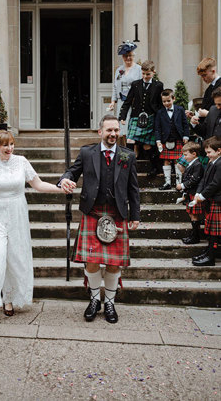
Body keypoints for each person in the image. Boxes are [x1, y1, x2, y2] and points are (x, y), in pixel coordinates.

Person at [59, 115, 141, 324]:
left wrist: (135, 215)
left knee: (114, 264)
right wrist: (65, 180)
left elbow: (133, 188)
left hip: (117, 214)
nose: (113, 134)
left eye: (116, 130)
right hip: (93, 213)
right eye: (109, 130)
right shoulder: (88, 153)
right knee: (92, 261)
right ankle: (95, 299)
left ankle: (110, 302)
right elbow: (72, 171)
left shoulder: (127, 155)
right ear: (100, 132)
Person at [0, 130, 63, 319]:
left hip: (17, 213)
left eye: (11, 144)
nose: (9, 148)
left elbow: (38, 184)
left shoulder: (22, 162)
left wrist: (59, 189)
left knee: (14, 256)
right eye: (5, 145)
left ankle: (8, 298)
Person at [119, 60, 164, 177]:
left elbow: (160, 104)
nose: (145, 76)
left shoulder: (158, 85)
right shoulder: (135, 84)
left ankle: (156, 168)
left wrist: (161, 119)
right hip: (135, 117)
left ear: (153, 72)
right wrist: (122, 116)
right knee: (130, 140)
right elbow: (127, 101)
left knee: (147, 145)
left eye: (148, 74)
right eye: (143, 73)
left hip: (151, 117)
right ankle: (126, 165)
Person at [191, 136, 221, 267]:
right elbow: (204, 179)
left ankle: (211, 257)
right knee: (210, 230)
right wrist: (198, 192)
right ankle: (209, 252)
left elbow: (216, 184)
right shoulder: (212, 161)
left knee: (215, 231)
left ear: (218, 150)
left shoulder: (220, 163)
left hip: (218, 200)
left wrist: (202, 196)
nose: (207, 155)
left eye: (209, 152)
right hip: (211, 199)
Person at [154, 89, 189, 190]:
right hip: (165, 140)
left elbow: (185, 124)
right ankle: (167, 182)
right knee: (166, 160)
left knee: (178, 161)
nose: (166, 103)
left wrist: (186, 136)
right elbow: (157, 128)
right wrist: (158, 141)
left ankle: (179, 183)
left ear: (173, 99)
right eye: (164, 101)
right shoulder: (160, 112)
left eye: (168, 101)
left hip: (178, 139)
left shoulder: (180, 109)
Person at [107, 41, 142, 141]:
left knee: (133, 128)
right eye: (125, 56)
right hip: (122, 102)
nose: (128, 58)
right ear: (122, 57)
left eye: (130, 55)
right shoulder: (119, 70)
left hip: (134, 103)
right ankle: (124, 151)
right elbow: (115, 86)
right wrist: (113, 101)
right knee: (122, 129)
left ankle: (134, 153)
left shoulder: (138, 69)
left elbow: (140, 87)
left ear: (133, 56)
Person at [176, 141, 205, 245]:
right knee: (191, 214)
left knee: (194, 215)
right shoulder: (191, 164)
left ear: (194, 154)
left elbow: (194, 180)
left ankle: (195, 237)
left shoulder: (198, 165)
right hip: (190, 193)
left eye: (185, 155)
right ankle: (193, 235)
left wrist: (182, 186)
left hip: (194, 193)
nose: (184, 157)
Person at [191, 58, 221, 122]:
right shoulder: (209, 88)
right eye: (201, 76)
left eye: (204, 75)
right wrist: (195, 114)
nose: (203, 78)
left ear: (213, 71)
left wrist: (208, 114)